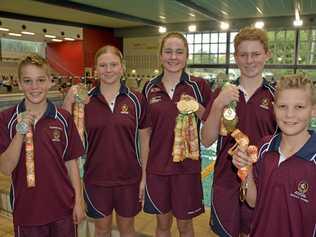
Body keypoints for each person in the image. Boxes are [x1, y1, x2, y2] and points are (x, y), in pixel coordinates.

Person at [63, 45, 150, 237]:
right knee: (101, 230)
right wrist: (68, 101)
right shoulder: (85, 101)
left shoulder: (136, 99)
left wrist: (144, 177)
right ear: (95, 69)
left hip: (129, 179)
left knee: (127, 229)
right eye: (103, 65)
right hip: (97, 179)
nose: (108, 70)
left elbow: (145, 141)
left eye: (113, 64)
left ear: (122, 67)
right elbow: (66, 132)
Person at [201, 27, 278, 236]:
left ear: (267, 55)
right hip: (226, 181)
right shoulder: (222, 92)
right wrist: (218, 104)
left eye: (256, 54)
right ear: (235, 57)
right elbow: (206, 140)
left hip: (261, 182)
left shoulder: (276, 97)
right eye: (243, 55)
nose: (249, 60)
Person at [0, 54, 85, 237]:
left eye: (40, 80)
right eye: (28, 81)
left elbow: (72, 164)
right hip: (27, 211)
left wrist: (78, 201)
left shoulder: (63, 118)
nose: (35, 87)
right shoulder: (6, 118)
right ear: (20, 84)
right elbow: (6, 168)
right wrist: (20, 133)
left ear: (50, 82)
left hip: (63, 209)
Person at [142, 32, 213, 237]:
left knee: (185, 227)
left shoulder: (198, 86)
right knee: (162, 226)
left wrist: (197, 107)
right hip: (158, 169)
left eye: (179, 52)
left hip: (186, 169)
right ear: (161, 55)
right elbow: (145, 134)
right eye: (168, 51)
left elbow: (211, 122)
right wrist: (144, 171)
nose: (173, 57)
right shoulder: (149, 87)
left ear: (186, 56)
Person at [232, 74, 316, 236]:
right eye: (282, 106)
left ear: (313, 110)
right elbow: (253, 201)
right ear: (273, 107)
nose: (289, 114)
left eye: (299, 107)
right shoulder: (265, 147)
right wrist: (246, 169)